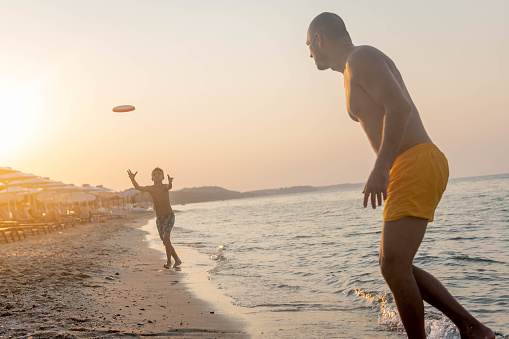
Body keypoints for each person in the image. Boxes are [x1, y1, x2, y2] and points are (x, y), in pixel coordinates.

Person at [307, 12, 494, 339]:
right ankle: (472, 328)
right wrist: (388, 167)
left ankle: (471, 328)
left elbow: (399, 107)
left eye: (309, 45)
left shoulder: (360, 57)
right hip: (407, 164)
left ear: (320, 39)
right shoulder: (352, 68)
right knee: (394, 264)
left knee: (392, 265)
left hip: (414, 160)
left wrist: (381, 167)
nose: (309, 54)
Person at [128, 167, 182, 269]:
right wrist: (132, 178)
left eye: (159, 174)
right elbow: (138, 187)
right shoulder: (151, 188)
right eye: (154, 174)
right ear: (151, 178)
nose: (156, 176)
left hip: (169, 216)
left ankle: (169, 262)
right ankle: (177, 260)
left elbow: (169, 187)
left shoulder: (165, 186)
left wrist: (170, 182)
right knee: (166, 241)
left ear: (162, 177)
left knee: (166, 238)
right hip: (159, 219)